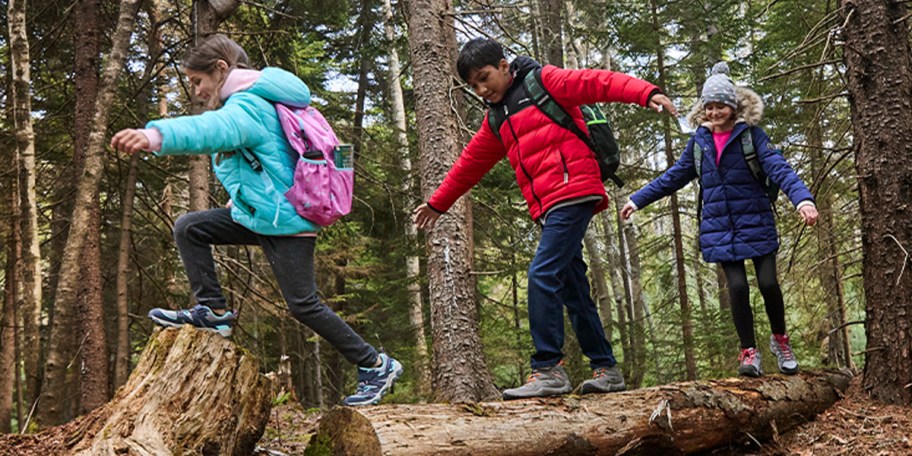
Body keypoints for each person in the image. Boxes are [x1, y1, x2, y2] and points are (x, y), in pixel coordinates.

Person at [110, 34, 402, 406]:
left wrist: (155, 136)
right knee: (191, 227)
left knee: (304, 304)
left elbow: (209, 131)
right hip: (262, 216)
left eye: (198, 81)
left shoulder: (247, 106)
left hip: (287, 221)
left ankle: (375, 364)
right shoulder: (254, 101)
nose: (197, 91)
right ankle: (214, 312)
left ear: (220, 70)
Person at [413, 37, 677, 400]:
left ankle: (548, 369)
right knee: (571, 284)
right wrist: (437, 204)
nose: (481, 88)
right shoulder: (497, 118)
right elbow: (468, 165)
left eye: (484, 77)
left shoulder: (545, 82)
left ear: (504, 66)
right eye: (473, 85)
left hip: (575, 190)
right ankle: (606, 367)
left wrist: (647, 93)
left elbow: (598, 81)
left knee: (542, 272)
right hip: (548, 206)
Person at [620, 62, 818, 377]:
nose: (714, 112)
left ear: (733, 105)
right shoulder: (698, 143)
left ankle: (780, 341)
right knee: (737, 288)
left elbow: (780, 169)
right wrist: (636, 199)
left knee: (768, 283)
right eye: (709, 107)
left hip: (756, 222)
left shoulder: (753, 136)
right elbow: (672, 178)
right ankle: (749, 351)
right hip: (720, 228)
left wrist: (803, 199)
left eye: (720, 106)